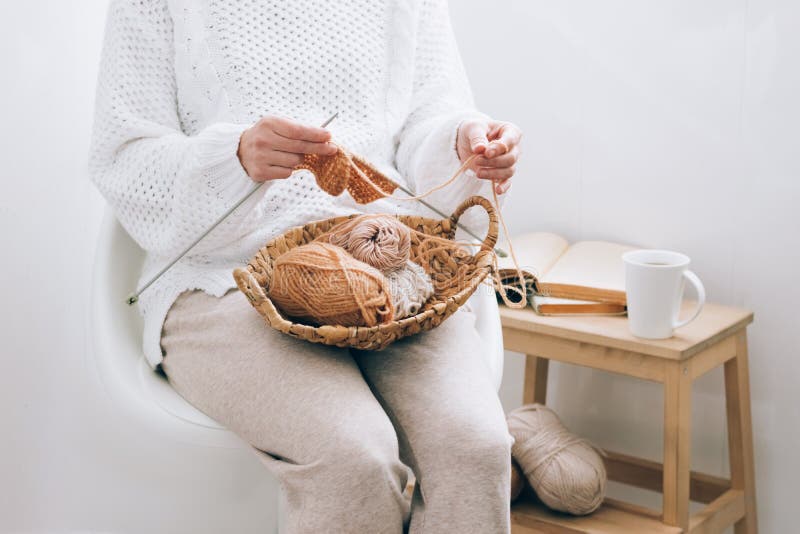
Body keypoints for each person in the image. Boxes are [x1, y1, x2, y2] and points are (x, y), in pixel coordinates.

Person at [88, 1, 523, 532]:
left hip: (383, 264)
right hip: (225, 280)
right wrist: (236, 158)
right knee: (353, 459)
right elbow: (124, 156)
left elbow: (429, 118)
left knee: (474, 449)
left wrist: (464, 144)